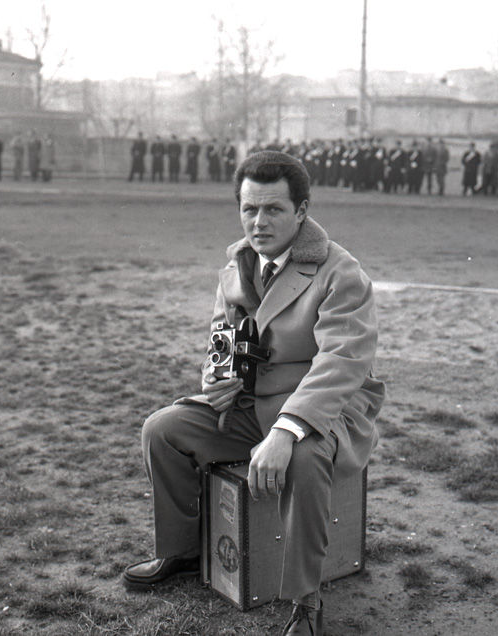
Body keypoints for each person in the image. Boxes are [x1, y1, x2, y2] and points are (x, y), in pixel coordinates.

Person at [122, 151, 385, 636]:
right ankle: (184, 550)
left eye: (273, 209)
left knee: (303, 459)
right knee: (163, 430)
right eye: (249, 209)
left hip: (324, 408)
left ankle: (306, 599)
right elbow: (219, 338)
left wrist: (286, 432)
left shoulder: (339, 272)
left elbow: (341, 362)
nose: (258, 222)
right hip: (250, 404)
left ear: (301, 212)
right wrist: (215, 379)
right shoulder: (237, 265)